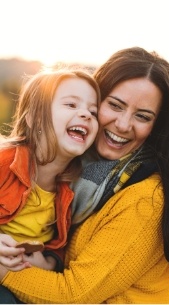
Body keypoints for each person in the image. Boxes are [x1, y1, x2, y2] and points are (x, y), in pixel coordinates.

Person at [0, 47, 169, 304]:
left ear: (157, 127)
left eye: (143, 116)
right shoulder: (75, 173)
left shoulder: (145, 199)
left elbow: (74, 294)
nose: (123, 125)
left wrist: (8, 270)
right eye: (114, 105)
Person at [0, 68, 100, 302]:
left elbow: (58, 244)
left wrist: (45, 262)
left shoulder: (73, 187)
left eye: (93, 111)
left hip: (27, 277)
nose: (85, 114)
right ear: (34, 117)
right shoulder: (6, 161)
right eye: (71, 105)